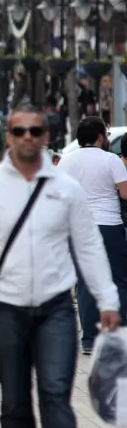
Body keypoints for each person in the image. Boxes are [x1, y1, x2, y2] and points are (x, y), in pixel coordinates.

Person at [0, 105, 122, 428]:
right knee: (15, 403)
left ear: (46, 137)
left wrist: (108, 300)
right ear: (8, 138)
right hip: (5, 308)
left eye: (35, 131)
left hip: (56, 307)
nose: (27, 137)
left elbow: (89, 246)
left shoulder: (66, 187)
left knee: (55, 396)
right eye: (19, 131)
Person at [57, 116, 127, 354]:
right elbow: (125, 193)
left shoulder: (65, 162)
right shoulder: (111, 160)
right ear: (99, 136)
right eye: (106, 135)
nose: (107, 139)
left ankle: (89, 339)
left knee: (85, 284)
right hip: (109, 225)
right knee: (118, 280)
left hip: (79, 228)